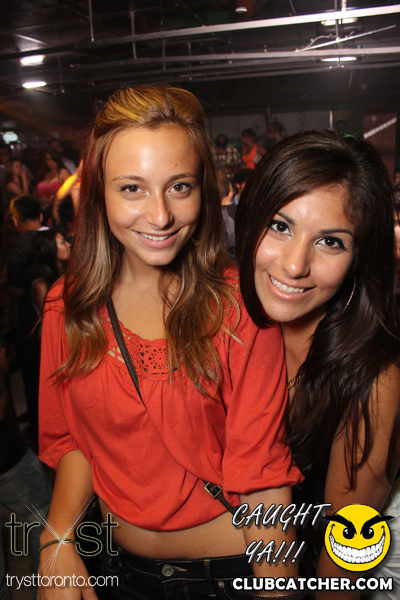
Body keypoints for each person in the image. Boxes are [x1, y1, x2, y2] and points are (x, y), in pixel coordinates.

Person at [38, 85, 303, 600]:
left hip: (227, 575)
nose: (160, 216)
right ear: (99, 194)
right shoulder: (67, 307)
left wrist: (278, 588)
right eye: (132, 189)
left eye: (179, 187)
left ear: (204, 189)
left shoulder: (240, 305)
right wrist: (57, 538)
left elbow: (262, 474)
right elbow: (73, 442)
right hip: (118, 573)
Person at [236, 129, 400, 600]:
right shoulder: (226, 326)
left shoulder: (371, 377)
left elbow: (346, 559)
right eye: (280, 226)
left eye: (330, 241)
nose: (294, 265)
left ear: (358, 258)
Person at [35, 149, 69, 221]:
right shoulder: (43, 174)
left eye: (53, 159)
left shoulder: (62, 172)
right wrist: (40, 200)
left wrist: (55, 197)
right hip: (43, 213)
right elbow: (34, 194)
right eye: (48, 159)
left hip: (59, 212)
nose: (51, 162)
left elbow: (71, 191)